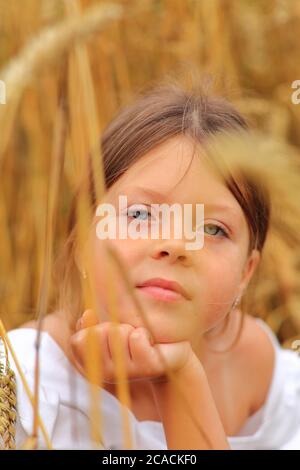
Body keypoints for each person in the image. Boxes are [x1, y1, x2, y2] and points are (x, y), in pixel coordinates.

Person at [6, 82, 300, 450]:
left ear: (246, 273)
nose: (176, 245)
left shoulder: (262, 373)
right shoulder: (21, 386)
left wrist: (181, 382)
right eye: (141, 214)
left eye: (213, 229)